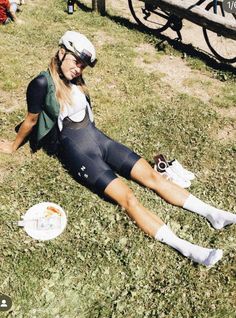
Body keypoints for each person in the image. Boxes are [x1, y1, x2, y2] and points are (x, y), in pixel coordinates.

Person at [0, 31, 236, 266]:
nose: (78, 69)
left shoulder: (75, 81)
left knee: (153, 176)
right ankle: (189, 249)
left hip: (100, 140)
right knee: (128, 198)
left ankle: (212, 213)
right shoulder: (41, 83)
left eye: (83, 65)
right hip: (78, 152)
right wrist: (13, 146)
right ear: (61, 52)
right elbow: (31, 120)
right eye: (76, 61)